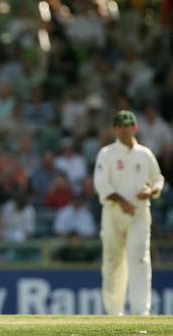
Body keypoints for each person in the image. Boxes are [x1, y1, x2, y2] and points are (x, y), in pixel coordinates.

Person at [94, 110, 164, 316]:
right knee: (113, 261)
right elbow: (101, 184)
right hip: (113, 212)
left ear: (135, 128)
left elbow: (159, 179)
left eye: (127, 126)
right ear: (114, 129)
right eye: (119, 126)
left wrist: (150, 191)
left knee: (139, 259)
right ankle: (114, 313)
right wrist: (122, 202)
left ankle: (141, 311)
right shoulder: (106, 154)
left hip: (139, 213)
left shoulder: (145, 154)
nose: (124, 130)